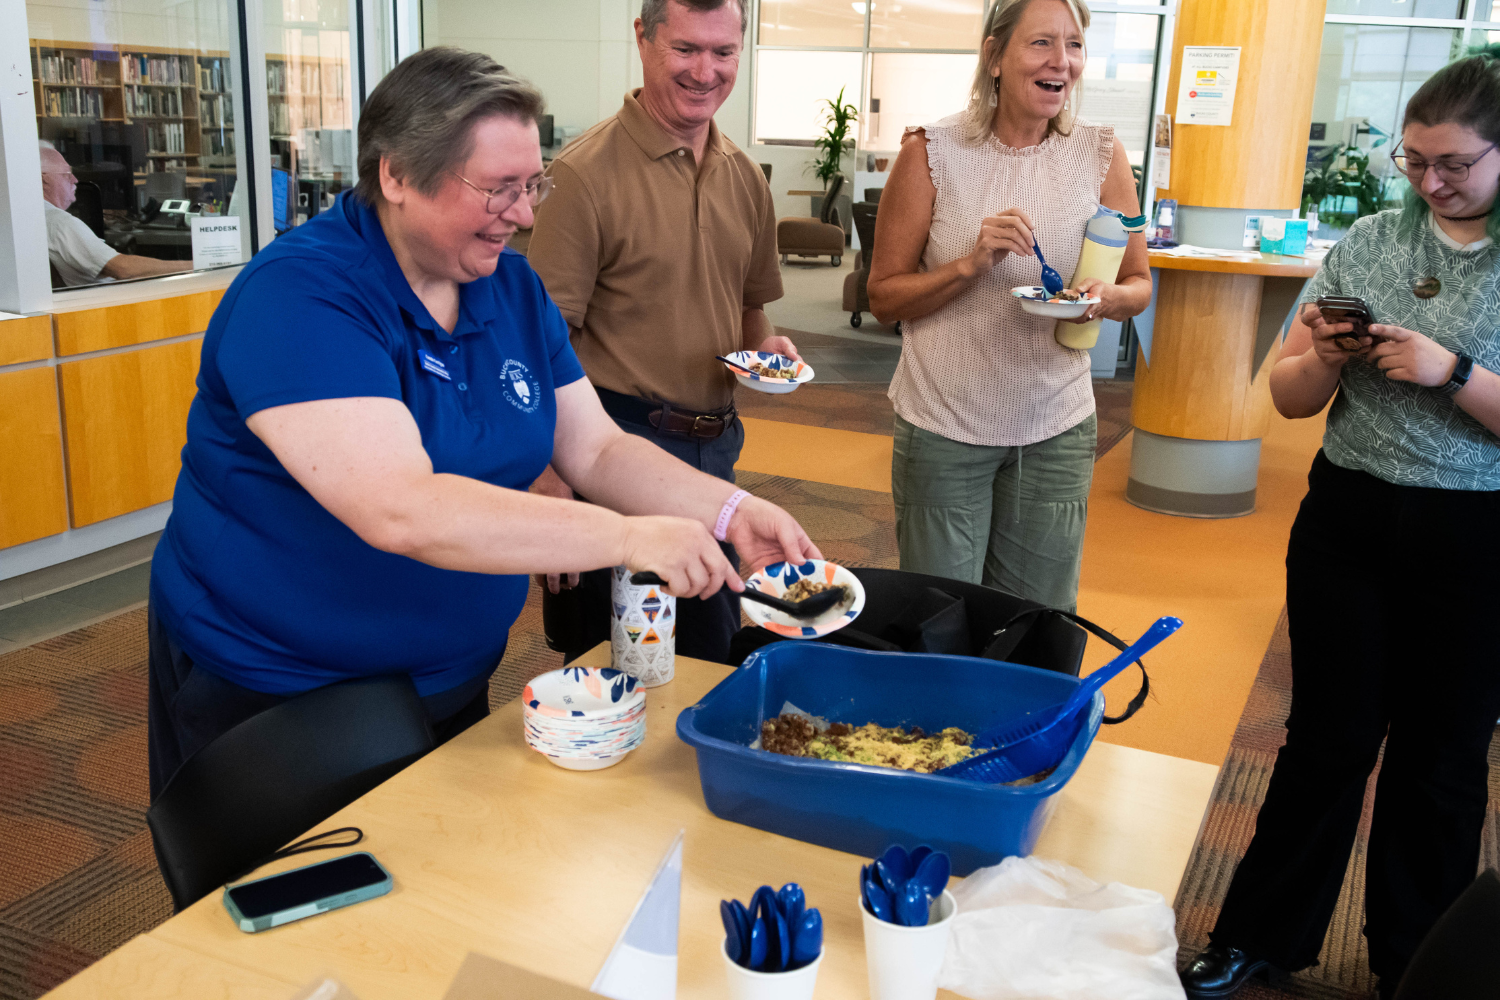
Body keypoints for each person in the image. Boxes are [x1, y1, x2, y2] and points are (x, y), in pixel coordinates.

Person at [147, 47, 820, 797]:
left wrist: (731, 510)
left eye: (534, 184)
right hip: (280, 690)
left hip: (448, 674)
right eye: (499, 189)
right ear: (396, 175)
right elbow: (401, 508)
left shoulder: (509, 286)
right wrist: (628, 536)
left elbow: (596, 449)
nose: (527, 214)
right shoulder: (301, 298)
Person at [1180, 48, 1500, 1000]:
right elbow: (1286, 397)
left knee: (1441, 761)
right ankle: (1260, 935)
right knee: (1325, 738)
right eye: (1414, 161)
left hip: (1476, 535)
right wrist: (1321, 354)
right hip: (1350, 519)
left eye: (1454, 164)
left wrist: (1452, 373)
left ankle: (1418, 963)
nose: (1431, 182)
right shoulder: (1369, 239)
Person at [525, 0, 799, 663]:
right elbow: (535, 341)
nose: (706, 71)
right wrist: (545, 472)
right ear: (644, 40)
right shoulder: (582, 176)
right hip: (610, 445)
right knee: (614, 656)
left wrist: (764, 351)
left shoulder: (744, 178)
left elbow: (748, 311)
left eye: (723, 52)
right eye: (686, 49)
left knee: (707, 649)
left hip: (714, 445)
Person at [867, 0, 1150, 611]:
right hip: (944, 421)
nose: (1062, 62)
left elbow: (1138, 283)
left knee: (1039, 622)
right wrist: (970, 264)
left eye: (1073, 45)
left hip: (1056, 424)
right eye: (1041, 43)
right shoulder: (930, 151)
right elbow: (884, 295)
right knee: (940, 617)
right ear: (994, 56)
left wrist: (1106, 299)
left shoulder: (1103, 156)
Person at [39, 143, 192, 286]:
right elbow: (124, 270)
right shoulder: (60, 223)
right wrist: (196, 265)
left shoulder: (39, 218)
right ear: (43, 179)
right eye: (66, 174)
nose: (75, 180)